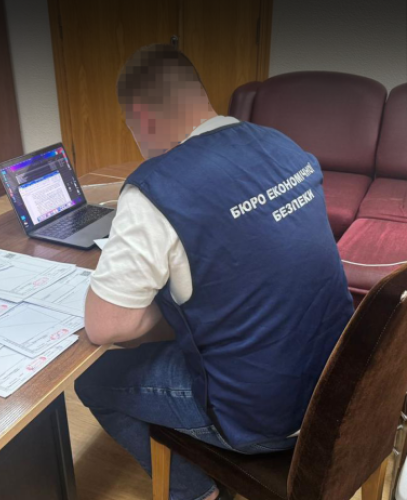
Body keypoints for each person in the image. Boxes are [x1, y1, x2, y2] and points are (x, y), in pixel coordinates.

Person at [75, 44, 354, 500]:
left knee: (94, 382)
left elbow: (106, 327)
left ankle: (193, 490)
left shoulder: (156, 187)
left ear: (142, 118)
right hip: (340, 386)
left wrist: (176, 307)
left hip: (266, 418)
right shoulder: (281, 144)